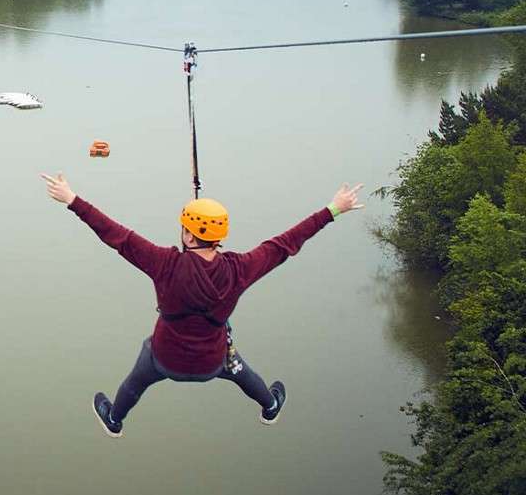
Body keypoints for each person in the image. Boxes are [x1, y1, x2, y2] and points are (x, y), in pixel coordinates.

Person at [39, 172, 363, 438]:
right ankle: (270, 407)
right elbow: (285, 244)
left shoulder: (164, 264)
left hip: (164, 359)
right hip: (213, 362)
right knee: (241, 370)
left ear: (189, 236)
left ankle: (114, 420)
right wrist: (333, 209)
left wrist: (72, 200)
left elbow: (117, 236)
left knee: (138, 373)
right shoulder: (239, 269)